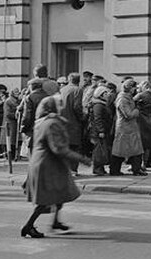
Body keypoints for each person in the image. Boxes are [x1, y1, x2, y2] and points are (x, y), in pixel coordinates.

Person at [21, 95, 93, 238]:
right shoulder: (52, 123)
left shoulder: (44, 121)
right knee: (46, 199)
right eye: (58, 104)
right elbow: (58, 148)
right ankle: (28, 226)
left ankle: (55, 222)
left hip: (47, 163)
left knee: (61, 193)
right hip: (48, 165)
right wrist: (81, 158)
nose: (61, 107)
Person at [112, 79, 145, 176]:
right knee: (119, 150)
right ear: (130, 88)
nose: (136, 90)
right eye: (135, 88)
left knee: (136, 149)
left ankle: (136, 169)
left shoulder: (128, 97)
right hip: (124, 128)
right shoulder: (122, 99)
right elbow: (128, 114)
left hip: (130, 127)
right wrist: (137, 110)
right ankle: (115, 170)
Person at [87, 85, 113, 176]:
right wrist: (101, 130)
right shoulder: (98, 105)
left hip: (103, 130)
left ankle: (100, 168)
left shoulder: (102, 104)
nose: (107, 95)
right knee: (99, 150)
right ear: (100, 94)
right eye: (105, 93)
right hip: (98, 132)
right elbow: (98, 119)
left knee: (102, 150)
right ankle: (97, 168)